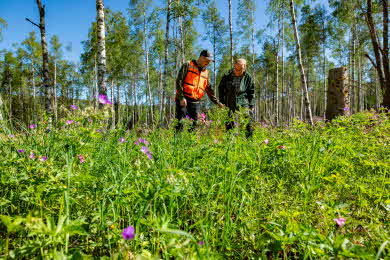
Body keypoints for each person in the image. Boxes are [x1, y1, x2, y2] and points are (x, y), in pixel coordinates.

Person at [175, 50, 223, 129]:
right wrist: (181, 97)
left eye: (210, 61)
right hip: (183, 100)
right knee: (180, 124)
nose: (208, 62)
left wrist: (217, 103)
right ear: (201, 57)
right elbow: (179, 81)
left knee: (194, 126)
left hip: (195, 102)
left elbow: (209, 90)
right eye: (207, 60)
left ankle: (191, 141)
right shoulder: (188, 64)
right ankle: (177, 140)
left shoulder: (206, 72)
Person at [218, 58, 255, 137]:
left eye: (240, 70)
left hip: (243, 102)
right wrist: (222, 101)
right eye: (236, 69)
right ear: (234, 66)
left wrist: (251, 105)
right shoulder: (227, 75)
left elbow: (251, 92)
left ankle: (249, 142)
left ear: (244, 68)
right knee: (229, 123)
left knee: (248, 122)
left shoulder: (248, 77)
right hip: (230, 102)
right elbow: (220, 88)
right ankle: (230, 142)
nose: (237, 72)